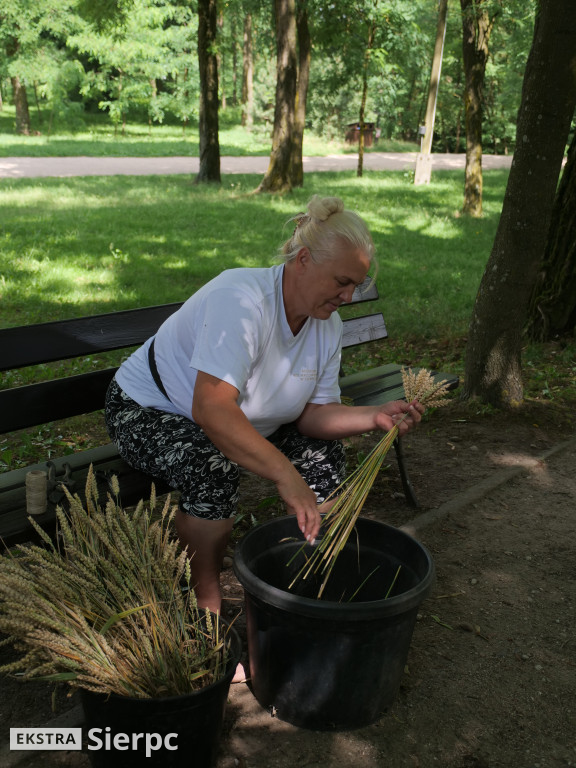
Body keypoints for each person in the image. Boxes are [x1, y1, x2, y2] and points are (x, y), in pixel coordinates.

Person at [105, 195, 423, 614]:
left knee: (322, 457)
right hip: (150, 410)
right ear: (304, 259)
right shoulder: (241, 301)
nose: (348, 297)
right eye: (342, 282)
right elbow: (212, 410)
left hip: (232, 419)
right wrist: (284, 475)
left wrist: (371, 415)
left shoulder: (325, 325)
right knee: (210, 469)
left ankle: (307, 585)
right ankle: (206, 607)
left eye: (356, 286)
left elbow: (313, 415)